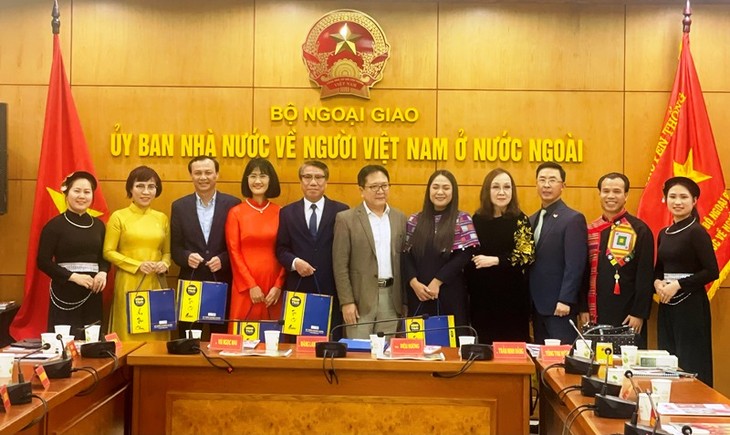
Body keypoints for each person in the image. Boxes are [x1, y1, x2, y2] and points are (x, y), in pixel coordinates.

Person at [654, 176, 718, 386]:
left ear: (694, 200)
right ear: (665, 200)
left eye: (683, 197)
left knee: (691, 361)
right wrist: (657, 283)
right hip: (667, 303)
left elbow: (711, 271)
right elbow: (659, 269)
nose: (677, 202)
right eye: (672, 196)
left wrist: (678, 285)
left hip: (691, 305)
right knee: (668, 359)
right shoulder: (664, 233)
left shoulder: (697, 232)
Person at [578, 173, 654, 348]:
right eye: (606, 191)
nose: (610, 196)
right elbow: (582, 272)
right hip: (593, 312)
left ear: (626, 195)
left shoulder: (639, 229)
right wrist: (582, 308)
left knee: (627, 361)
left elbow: (645, 275)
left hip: (627, 314)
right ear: (599, 194)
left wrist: (639, 313)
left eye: (617, 191)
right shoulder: (590, 230)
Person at [276, 160, 349, 338]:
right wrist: (295, 263)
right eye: (307, 177)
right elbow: (281, 249)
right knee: (297, 345)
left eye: (319, 177)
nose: (313, 182)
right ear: (301, 181)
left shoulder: (341, 211)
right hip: (298, 289)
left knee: (330, 343)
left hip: (331, 289)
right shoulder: (287, 212)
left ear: (326, 181)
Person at [333, 165, 406, 339]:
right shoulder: (346, 219)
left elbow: (403, 261)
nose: (380, 191)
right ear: (361, 190)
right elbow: (340, 265)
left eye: (384, 186)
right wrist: (347, 302)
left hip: (391, 298)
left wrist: (404, 301)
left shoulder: (400, 218)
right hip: (360, 300)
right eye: (374, 186)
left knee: (386, 352)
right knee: (358, 351)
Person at [171, 156, 241, 338]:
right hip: (191, 283)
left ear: (217, 174)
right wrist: (186, 257)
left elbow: (238, 245)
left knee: (222, 340)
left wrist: (223, 259)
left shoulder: (233, 204)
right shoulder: (179, 206)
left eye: (208, 172)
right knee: (188, 341)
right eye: (198, 173)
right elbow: (175, 248)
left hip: (222, 282)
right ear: (191, 176)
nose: (203, 177)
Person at [465, 168, 534, 344]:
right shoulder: (477, 219)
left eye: (507, 187)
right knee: (484, 348)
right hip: (482, 298)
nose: (501, 192)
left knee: (512, 349)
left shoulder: (520, 219)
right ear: (487, 191)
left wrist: (495, 260)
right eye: (496, 187)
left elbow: (526, 255)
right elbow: (468, 254)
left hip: (512, 297)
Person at [37, 171, 109, 338]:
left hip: (93, 291)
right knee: (65, 343)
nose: (82, 196)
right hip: (65, 291)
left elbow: (104, 256)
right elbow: (43, 261)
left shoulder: (99, 226)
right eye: (77, 191)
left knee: (92, 341)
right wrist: (73, 277)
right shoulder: (54, 225)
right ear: (66, 193)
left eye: (87, 192)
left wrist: (103, 272)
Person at [403, 170, 479, 328]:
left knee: (451, 339)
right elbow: (406, 255)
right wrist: (413, 282)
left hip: (450, 294)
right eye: (435, 187)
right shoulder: (414, 220)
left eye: (446, 188)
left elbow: (464, 256)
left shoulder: (462, 219)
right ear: (429, 190)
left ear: (453, 192)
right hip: (419, 293)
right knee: (419, 339)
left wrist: (437, 282)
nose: (440, 192)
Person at [103, 166, 171, 341]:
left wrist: (165, 263)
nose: (146, 192)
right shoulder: (119, 217)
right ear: (130, 189)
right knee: (129, 330)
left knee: (157, 330)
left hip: (156, 283)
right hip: (129, 281)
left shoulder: (162, 218)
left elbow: (166, 252)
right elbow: (108, 252)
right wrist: (137, 265)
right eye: (140, 186)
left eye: (151, 186)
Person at [529, 161, 587, 345]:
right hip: (535, 306)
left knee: (561, 357)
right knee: (539, 356)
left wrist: (566, 300)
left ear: (563, 186)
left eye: (552, 180)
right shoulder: (531, 219)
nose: (546, 185)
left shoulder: (572, 219)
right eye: (542, 180)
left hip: (559, 307)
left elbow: (575, 265)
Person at [225, 158, 285, 322]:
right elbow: (234, 252)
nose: (257, 181)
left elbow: (286, 251)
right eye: (253, 176)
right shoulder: (236, 213)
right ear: (247, 180)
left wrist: (279, 285)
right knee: (242, 333)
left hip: (274, 288)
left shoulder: (281, 212)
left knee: (272, 334)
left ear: (270, 180)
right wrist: (250, 285)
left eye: (263, 176)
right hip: (245, 287)